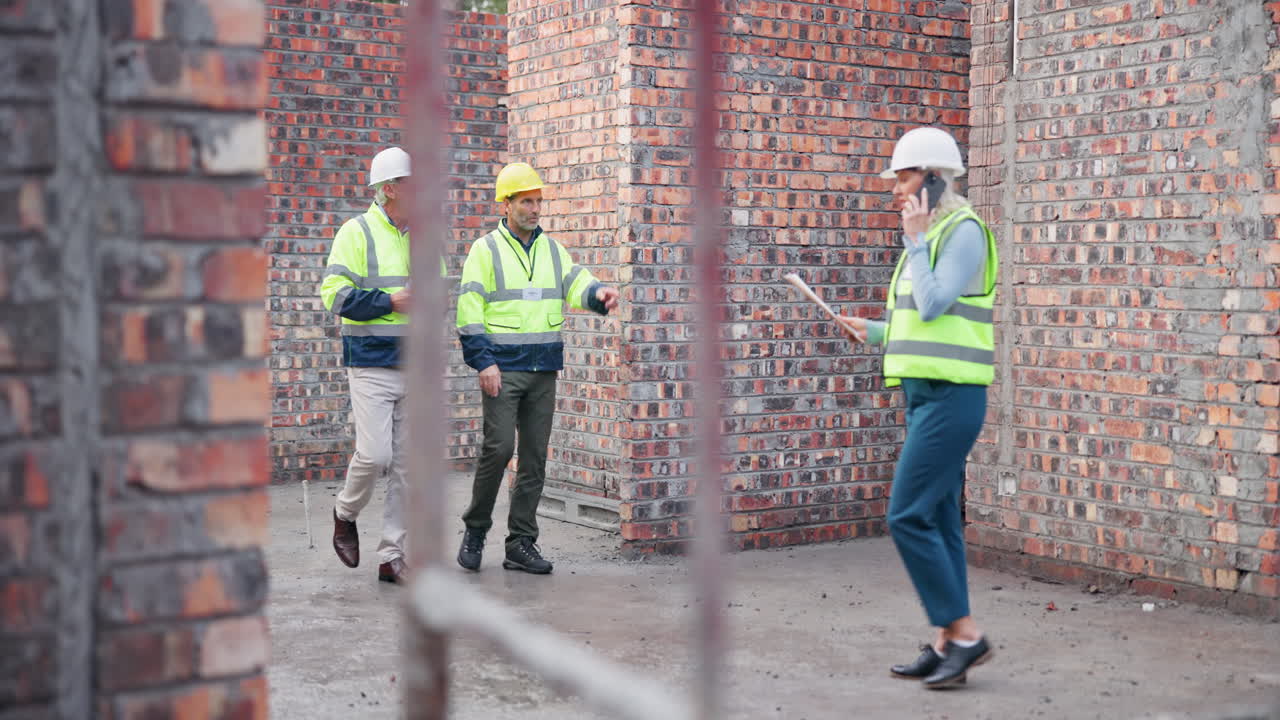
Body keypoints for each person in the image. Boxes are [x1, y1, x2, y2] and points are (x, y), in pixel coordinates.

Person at [837, 127, 999, 689]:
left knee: (905, 514)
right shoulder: (932, 235)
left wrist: (914, 237)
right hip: (925, 392)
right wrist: (876, 331)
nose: (895, 191)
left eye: (903, 178)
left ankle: (967, 633)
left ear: (934, 178)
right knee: (936, 517)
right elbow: (918, 322)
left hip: (954, 397)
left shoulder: (962, 232)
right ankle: (946, 642)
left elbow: (934, 303)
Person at [455, 162, 619, 574]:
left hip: (543, 367)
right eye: (527, 201)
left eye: (538, 201)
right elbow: (469, 310)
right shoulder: (485, 250)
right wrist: (483, 362)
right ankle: (475, 529)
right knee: (499, 450)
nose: (535, 209)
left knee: (534, 457)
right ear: (506, 204)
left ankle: (521, 543)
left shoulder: (551, 250)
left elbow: (575, 283)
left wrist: (598, 294)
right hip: (502, 369)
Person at [319, 147, 414, 585]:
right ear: (389, 189)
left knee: (408, 466)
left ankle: (392, 556)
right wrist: (388, 302)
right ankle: (345, 512)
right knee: (377, 455)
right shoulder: (354, 233)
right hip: (372, 362)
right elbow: (334, 296)